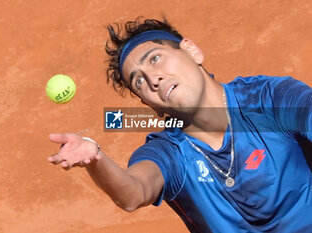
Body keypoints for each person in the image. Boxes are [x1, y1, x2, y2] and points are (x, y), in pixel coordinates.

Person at [48, 17, 312, 233]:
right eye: (139, 81)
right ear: (149, 104)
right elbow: (133, 192)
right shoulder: (169, 153)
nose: (153, 78)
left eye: (154, 59)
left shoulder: (268, 100)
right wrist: (96, 158)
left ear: (191, 51)